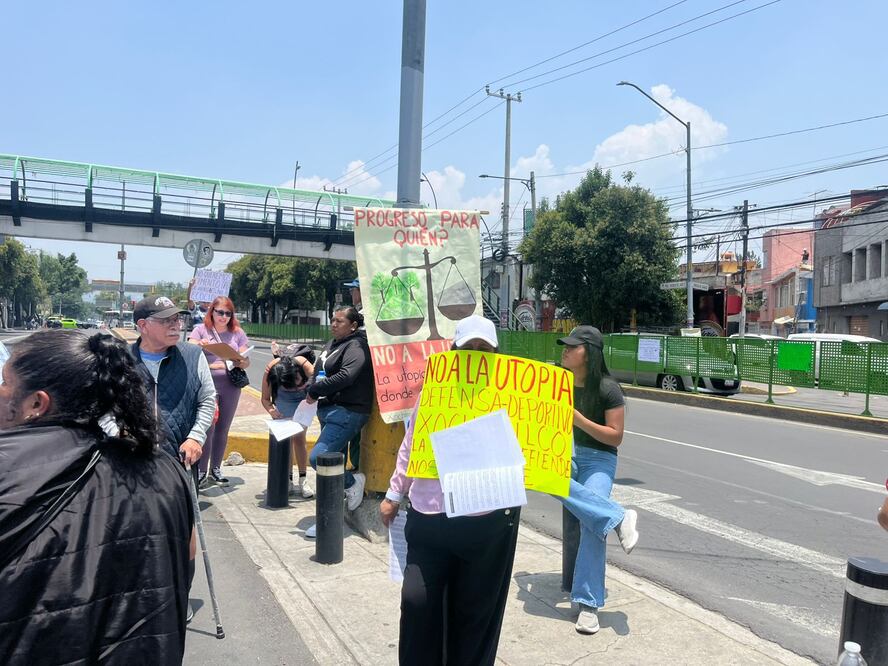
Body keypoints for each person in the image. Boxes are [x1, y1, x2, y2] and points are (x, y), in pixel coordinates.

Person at [0, 330, 194, 664]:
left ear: (36, 403)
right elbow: (186, 561)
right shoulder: (165, 469)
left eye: (5, 381)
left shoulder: (9, 465)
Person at [380, 315, 521, 665]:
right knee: (416, 603)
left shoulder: (510, 398)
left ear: (495, 356)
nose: (475, 356)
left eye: (483, 350)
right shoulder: (432, 393)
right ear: (453, 352)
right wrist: (394, 494)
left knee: (475, 615)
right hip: (429, 517)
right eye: (468, 348)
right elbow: (411, 445)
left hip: (485, 524)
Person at [556, 325, 639, 635]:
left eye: (572, 346)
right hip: (563, 453)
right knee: (544, 479)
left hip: (599, 459)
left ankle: (588, 604)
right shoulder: (555, 380)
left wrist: (577, 419)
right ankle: (617, 517)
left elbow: (615, 437)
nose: (564, 350)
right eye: (564, 346)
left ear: (588, 354)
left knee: (592, 524)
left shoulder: (607, 388)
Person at [304, 306, 373, 536]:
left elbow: (347, 375)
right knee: (332, 469)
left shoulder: (356, 345)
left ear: (353, 325)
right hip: (328, 409)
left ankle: (353, 483)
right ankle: (329, 522)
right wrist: (313, 386)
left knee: (319, 459)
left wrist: (316, 389)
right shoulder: (333, 343)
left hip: (347, 412)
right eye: (332, 320)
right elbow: (318, 370)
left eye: (339, 321)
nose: (333, 324)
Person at [189, 296, 251, 487]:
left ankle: (216, 468)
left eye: (228, 313)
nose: (224, 316)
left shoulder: (237, 333)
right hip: (207, 384)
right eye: (220, 312)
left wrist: (241, 360)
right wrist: (199, 345)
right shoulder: (201, 329)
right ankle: (201, 470)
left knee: (223, 428)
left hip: (230, 384)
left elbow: (246, 359)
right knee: (208, 427)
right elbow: (189, 346)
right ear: (212, 312)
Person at [261, 344, 316, 498]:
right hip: (283, 401)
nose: (294, 386)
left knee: (299, 438)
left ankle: (303, 479)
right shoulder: (271, 370)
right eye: (289, 384)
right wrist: (272, 411)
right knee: (285, 439)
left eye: (297, 381)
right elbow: (265, 399)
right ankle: (288, 479)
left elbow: (318, 379)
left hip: (303, 401)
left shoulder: (303, 363)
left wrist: (311, 395)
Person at [342, 277, 363, 470]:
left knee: (357, 433)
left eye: (353, 290)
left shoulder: (362, 318)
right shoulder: (358, 315)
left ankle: (356, 469)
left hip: (359, 383)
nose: (351, 294)